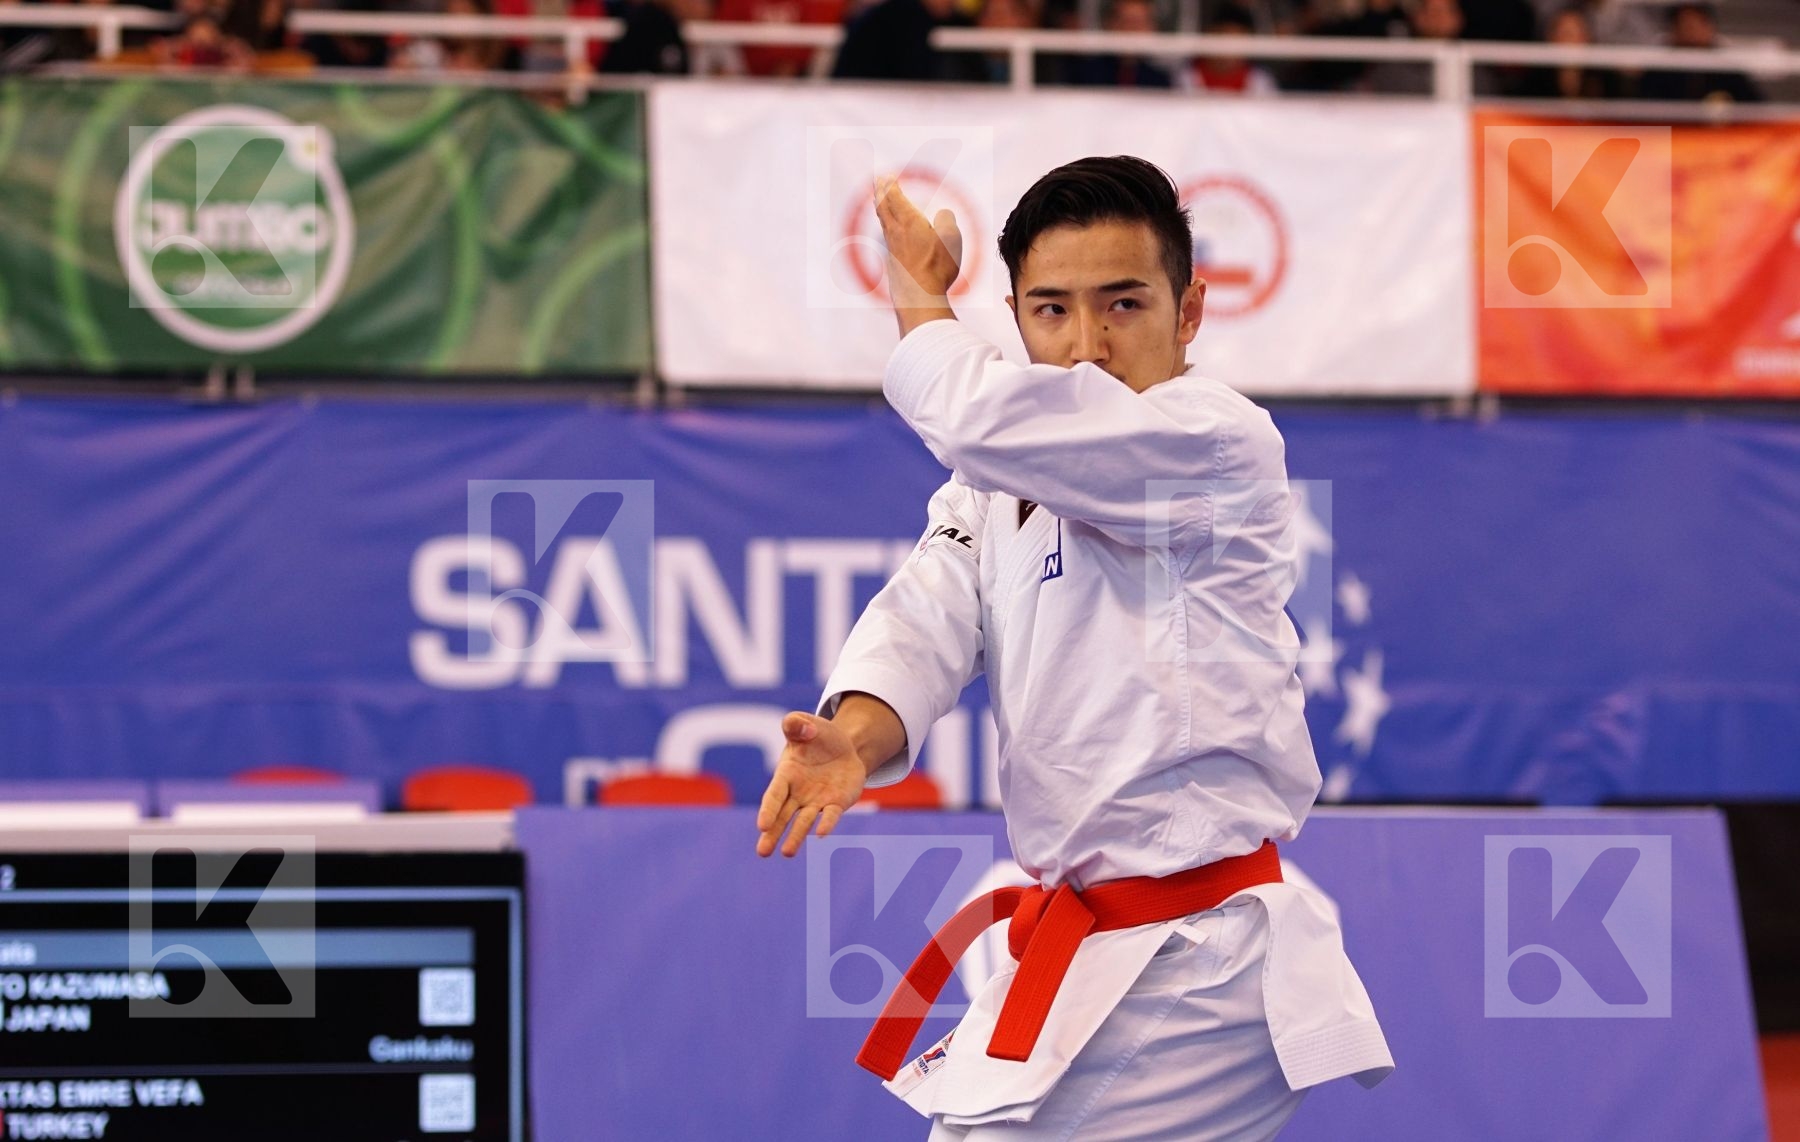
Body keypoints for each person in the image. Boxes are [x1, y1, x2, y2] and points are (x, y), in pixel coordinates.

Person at [755, 156, 1392, 1139]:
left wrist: (920, 299)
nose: (1087, 344)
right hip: (1080, 944)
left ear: (1189, 313)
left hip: (1199, 956)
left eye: (1123, 303)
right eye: (1050, 310)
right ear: (1014, 315)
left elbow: (976, 416)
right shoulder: (994, 483)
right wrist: (855, 732)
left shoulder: (1213, 441)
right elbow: (925, 620)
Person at [1638, 2, 1762, 104]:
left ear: (1710, 27)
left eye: (1697, 23)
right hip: (1671, 132)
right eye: (1684, 25)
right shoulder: (1658, 70)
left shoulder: (1728, 70)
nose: (1691, 31)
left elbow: (1755, 107)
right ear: (1673, 30)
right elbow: (1642, 108)